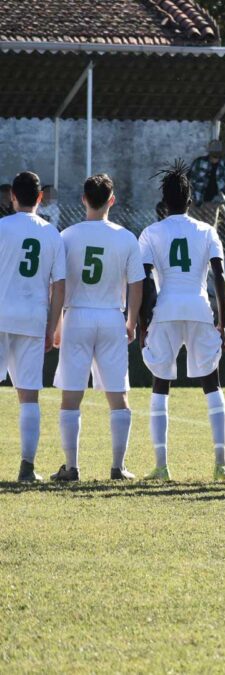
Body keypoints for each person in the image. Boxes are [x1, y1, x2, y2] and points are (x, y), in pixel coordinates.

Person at [138, 161, 225, 482]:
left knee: (160, 385)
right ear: (190, 201)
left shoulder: (151, 232)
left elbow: (145, 280)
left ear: (164, 204)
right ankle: (221, 464)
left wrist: (143, 322)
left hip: (165, 311)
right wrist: (222, 321)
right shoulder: (207, 231)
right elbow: (219, 276)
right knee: (212, 384)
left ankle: (161, 466)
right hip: (198, 308)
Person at [51, 174, 144, 482]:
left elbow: (59, 285)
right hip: (110, 316)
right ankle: (118, 467)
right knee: (118, 395)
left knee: (71, 395)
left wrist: (58, 323)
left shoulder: (67, 236)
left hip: (77, 316)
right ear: (112, 200)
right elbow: (136, 285)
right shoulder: (126, 237)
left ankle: (72, 466)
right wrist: (131, 321)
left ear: (83, 199)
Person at [0, 172, 66, 482]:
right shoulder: (52, 234)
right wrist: (53, 327)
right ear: (40, 198)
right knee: (29, 396)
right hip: (33, 319)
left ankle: (27, 467)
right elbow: (60, 286)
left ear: (11, 196)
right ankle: (27, 468)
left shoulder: (2, 227)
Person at [188, 139, 225, 227]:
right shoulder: (199, 162)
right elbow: (188, 179)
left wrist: (222, 199)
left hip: (213, 204)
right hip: (196, 202)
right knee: (193, 229)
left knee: (209, 231)